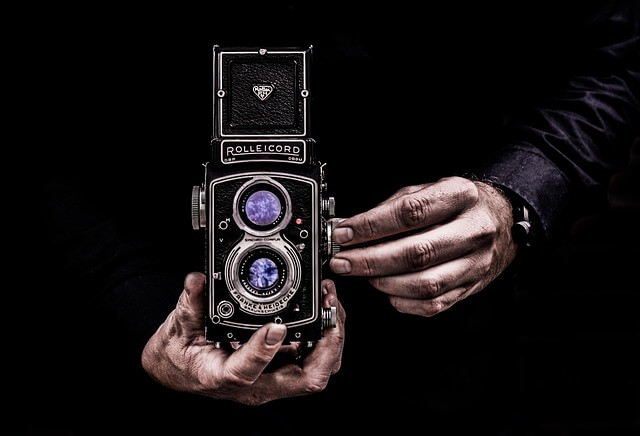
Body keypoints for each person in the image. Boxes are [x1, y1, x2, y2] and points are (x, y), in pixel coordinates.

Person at [29, 1, 638, 434]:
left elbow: (616, 54)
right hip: (150, 344)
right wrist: (134, 301)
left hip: (437, 350)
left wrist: (512, 198)